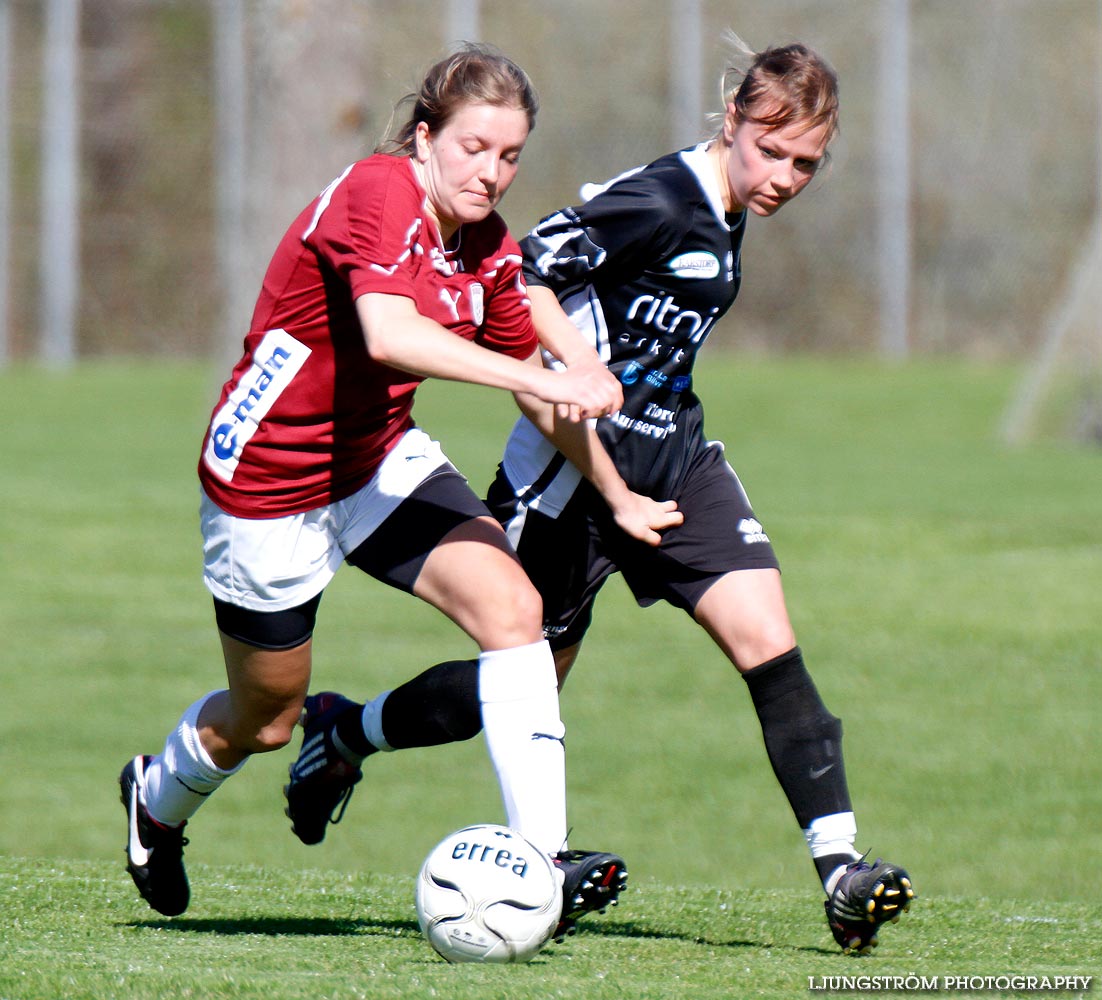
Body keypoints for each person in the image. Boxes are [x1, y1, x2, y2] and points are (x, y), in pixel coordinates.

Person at [284, 40, 915, 953]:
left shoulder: (726, 210)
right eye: (769, 151)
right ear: (731, 120)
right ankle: (348, 734)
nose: (783, 176)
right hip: (567, 478)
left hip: (677, 462)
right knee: (520, 684)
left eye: (805, 162)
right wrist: (577, 385)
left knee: (769, 645)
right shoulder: (661, 198)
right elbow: (524, 268)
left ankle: (842, 870)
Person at [117, 43, 630, 925]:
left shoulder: (485, 243)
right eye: (475, 148)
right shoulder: (378, 191)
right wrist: (553, 374)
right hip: (269, 480)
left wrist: (615, 492)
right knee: (267, 716)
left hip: (377, 458)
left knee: (515, 612)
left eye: (510, 156)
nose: (493, 172)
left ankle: (540, 864)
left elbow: (524, 376)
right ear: (426, 138)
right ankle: (156, 798)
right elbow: (390, 333)